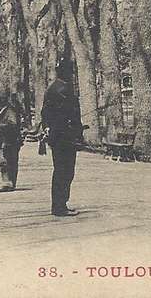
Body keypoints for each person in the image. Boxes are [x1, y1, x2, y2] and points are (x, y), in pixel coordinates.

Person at [41, 62, 84, 217]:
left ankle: (60, 204)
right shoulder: (65, 90)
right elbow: (72, 115)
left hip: (56, 136)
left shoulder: (51, 89)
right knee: (65, 171)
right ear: (67, 73)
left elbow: (44, 113)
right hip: (65, 137)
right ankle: (60, 206)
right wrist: (77, 132)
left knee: (60, 170)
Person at [0, 93, 23, 192]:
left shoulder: (9, 111)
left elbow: (13, 125)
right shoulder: (4, 111)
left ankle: (8, 183)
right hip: (4, 142)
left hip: (8, 141)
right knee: (5, 162)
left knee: (7, 162)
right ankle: (8, 182)